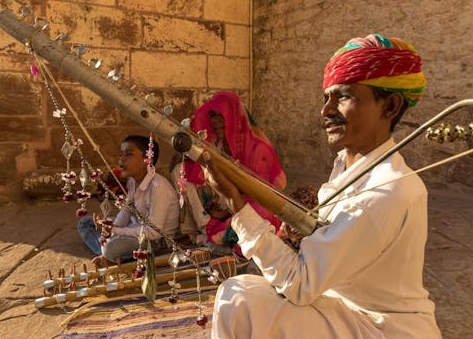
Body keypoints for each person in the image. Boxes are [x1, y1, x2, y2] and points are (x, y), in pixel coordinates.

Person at [206, 34, 441, 338]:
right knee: (244, 294)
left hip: (381, 328)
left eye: (343, 96)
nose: (326, 110)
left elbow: (299, 284)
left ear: (390, 106)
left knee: (236, 298)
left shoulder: (384, 191)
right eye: (326, 98)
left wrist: (236, 204)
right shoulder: (349, 165)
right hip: (343, 309)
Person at [172, 91, 287, 254]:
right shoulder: (218, 144)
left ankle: (220, 234)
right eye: (213, 115)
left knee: (242, 228)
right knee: (182, 170)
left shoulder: (258, 148)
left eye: (222, 116)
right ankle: (208, 229)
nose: (216, 121)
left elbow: (262, 194)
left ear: (234, 117)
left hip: (257, 205)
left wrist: (227, 211)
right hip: (230, 203)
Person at [77, 135, 179, 267]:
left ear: (147, 160)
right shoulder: (132, 181)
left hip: (155, 240)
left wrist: (115, 231)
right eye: (121, 154)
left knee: (112, 247)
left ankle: (109, 254)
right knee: (85, 223)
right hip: (134, 228)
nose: (122, 159)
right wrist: (111, 227)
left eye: (129, 154)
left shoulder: (159, 188)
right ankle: (109, 256)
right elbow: (127, 210)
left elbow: (153, 232)